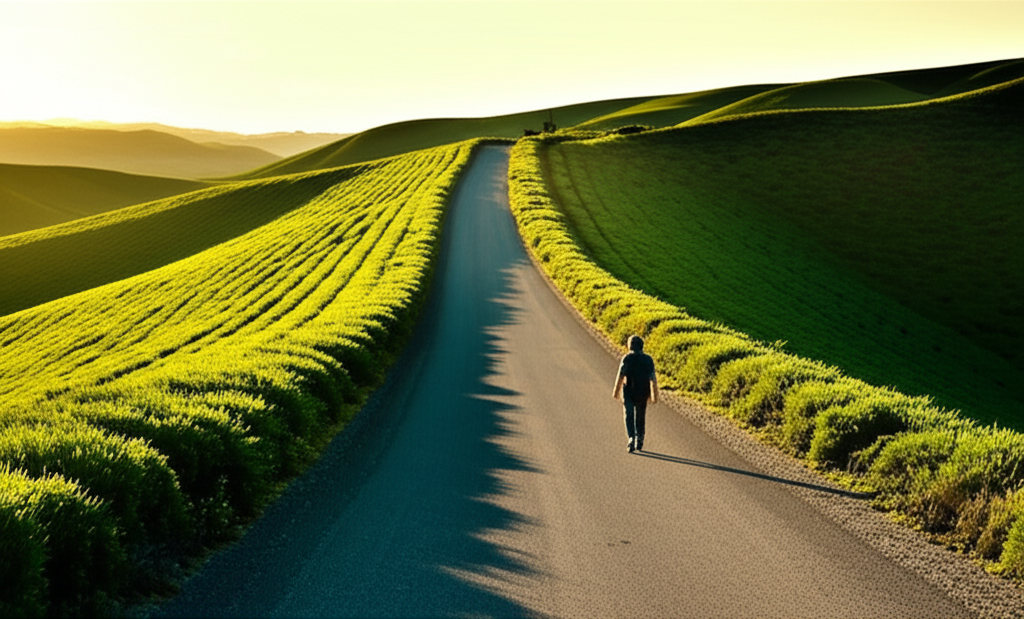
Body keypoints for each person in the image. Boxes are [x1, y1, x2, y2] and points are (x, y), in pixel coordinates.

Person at [612, 335, 659, 453]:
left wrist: (616, 392)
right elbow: (653, 378)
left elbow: (620, 376)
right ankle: (640, 438)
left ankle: (631, 437)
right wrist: (654, 396)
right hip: (643, 391)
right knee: (640, 415)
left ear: (630, 346)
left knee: (629, 414)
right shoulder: (648, 360)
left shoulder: (627, 358)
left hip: (628, 390)